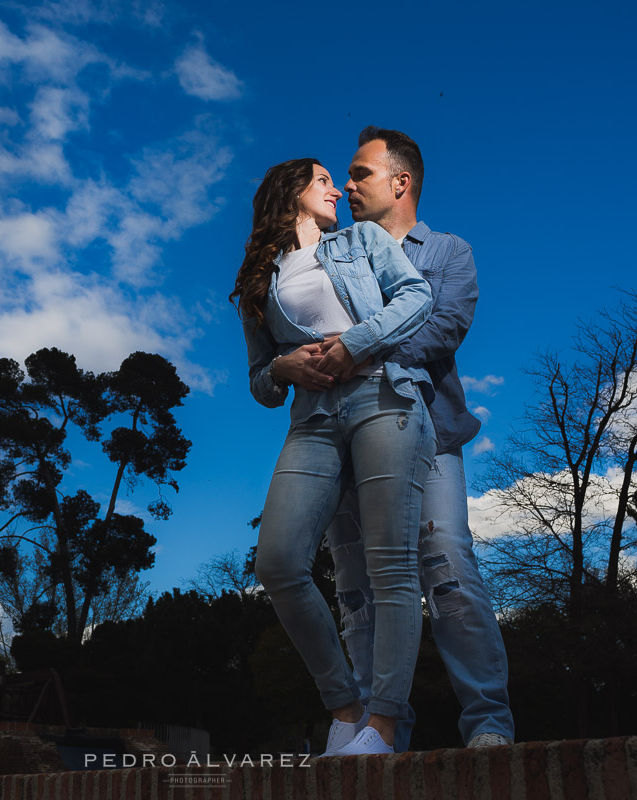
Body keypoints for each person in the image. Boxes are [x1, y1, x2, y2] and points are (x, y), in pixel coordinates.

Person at [232, 157, 435, 756]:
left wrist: (355, 342)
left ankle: (385, 725)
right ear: (290, 191)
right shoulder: (256, 282)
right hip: (313, 422)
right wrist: (281, 367)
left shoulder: (364, 241)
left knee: (390, 565)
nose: (337, 193)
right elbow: (259, 382)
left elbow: (416, 296)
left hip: (382, 397)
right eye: (323, 181)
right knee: (278, 562)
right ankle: (345, 710)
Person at [325, 126, 515, 751]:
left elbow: (439, 334)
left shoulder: (447, 253)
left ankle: (487, 723)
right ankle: (379, 732)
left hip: (429, 439)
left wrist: (350, 353)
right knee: (359, 589)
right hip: (346, 444)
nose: (347, 185)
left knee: (448, 568)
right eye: (346, 177)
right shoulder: (332, 252)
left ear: (400, 182)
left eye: (361, 173)